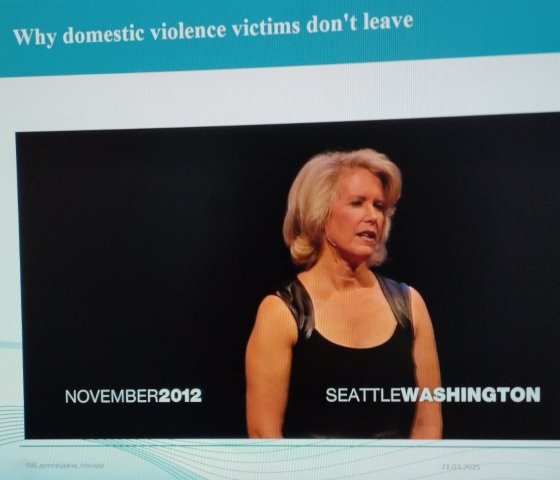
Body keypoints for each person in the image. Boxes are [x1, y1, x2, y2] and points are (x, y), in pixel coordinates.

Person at [245, 149, 442, 439]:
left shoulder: (409, 304)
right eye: (357, 203)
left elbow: (428, 424)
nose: (373, 217)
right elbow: (264, 434)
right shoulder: (282, 311)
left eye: (379, 206)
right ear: (321, 214)